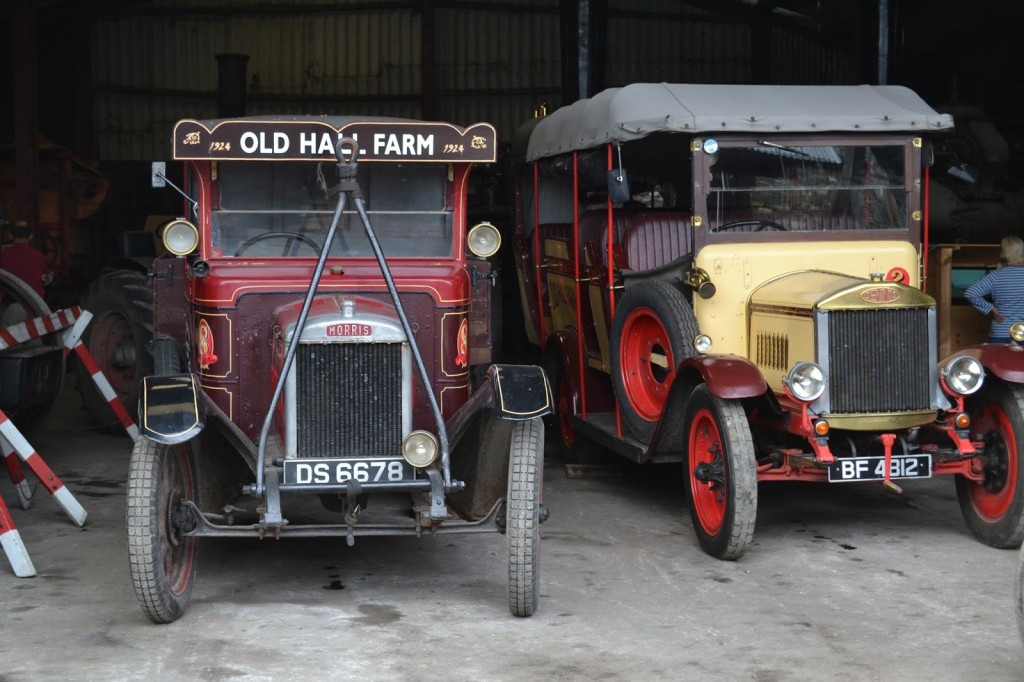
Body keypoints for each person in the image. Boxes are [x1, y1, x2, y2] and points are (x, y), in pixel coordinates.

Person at [965, 234, 1024, 343]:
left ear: (1003, 253)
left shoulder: (996, 275)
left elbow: (970, 293)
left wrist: (992, 309)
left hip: (1001, 332)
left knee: (998, 361)